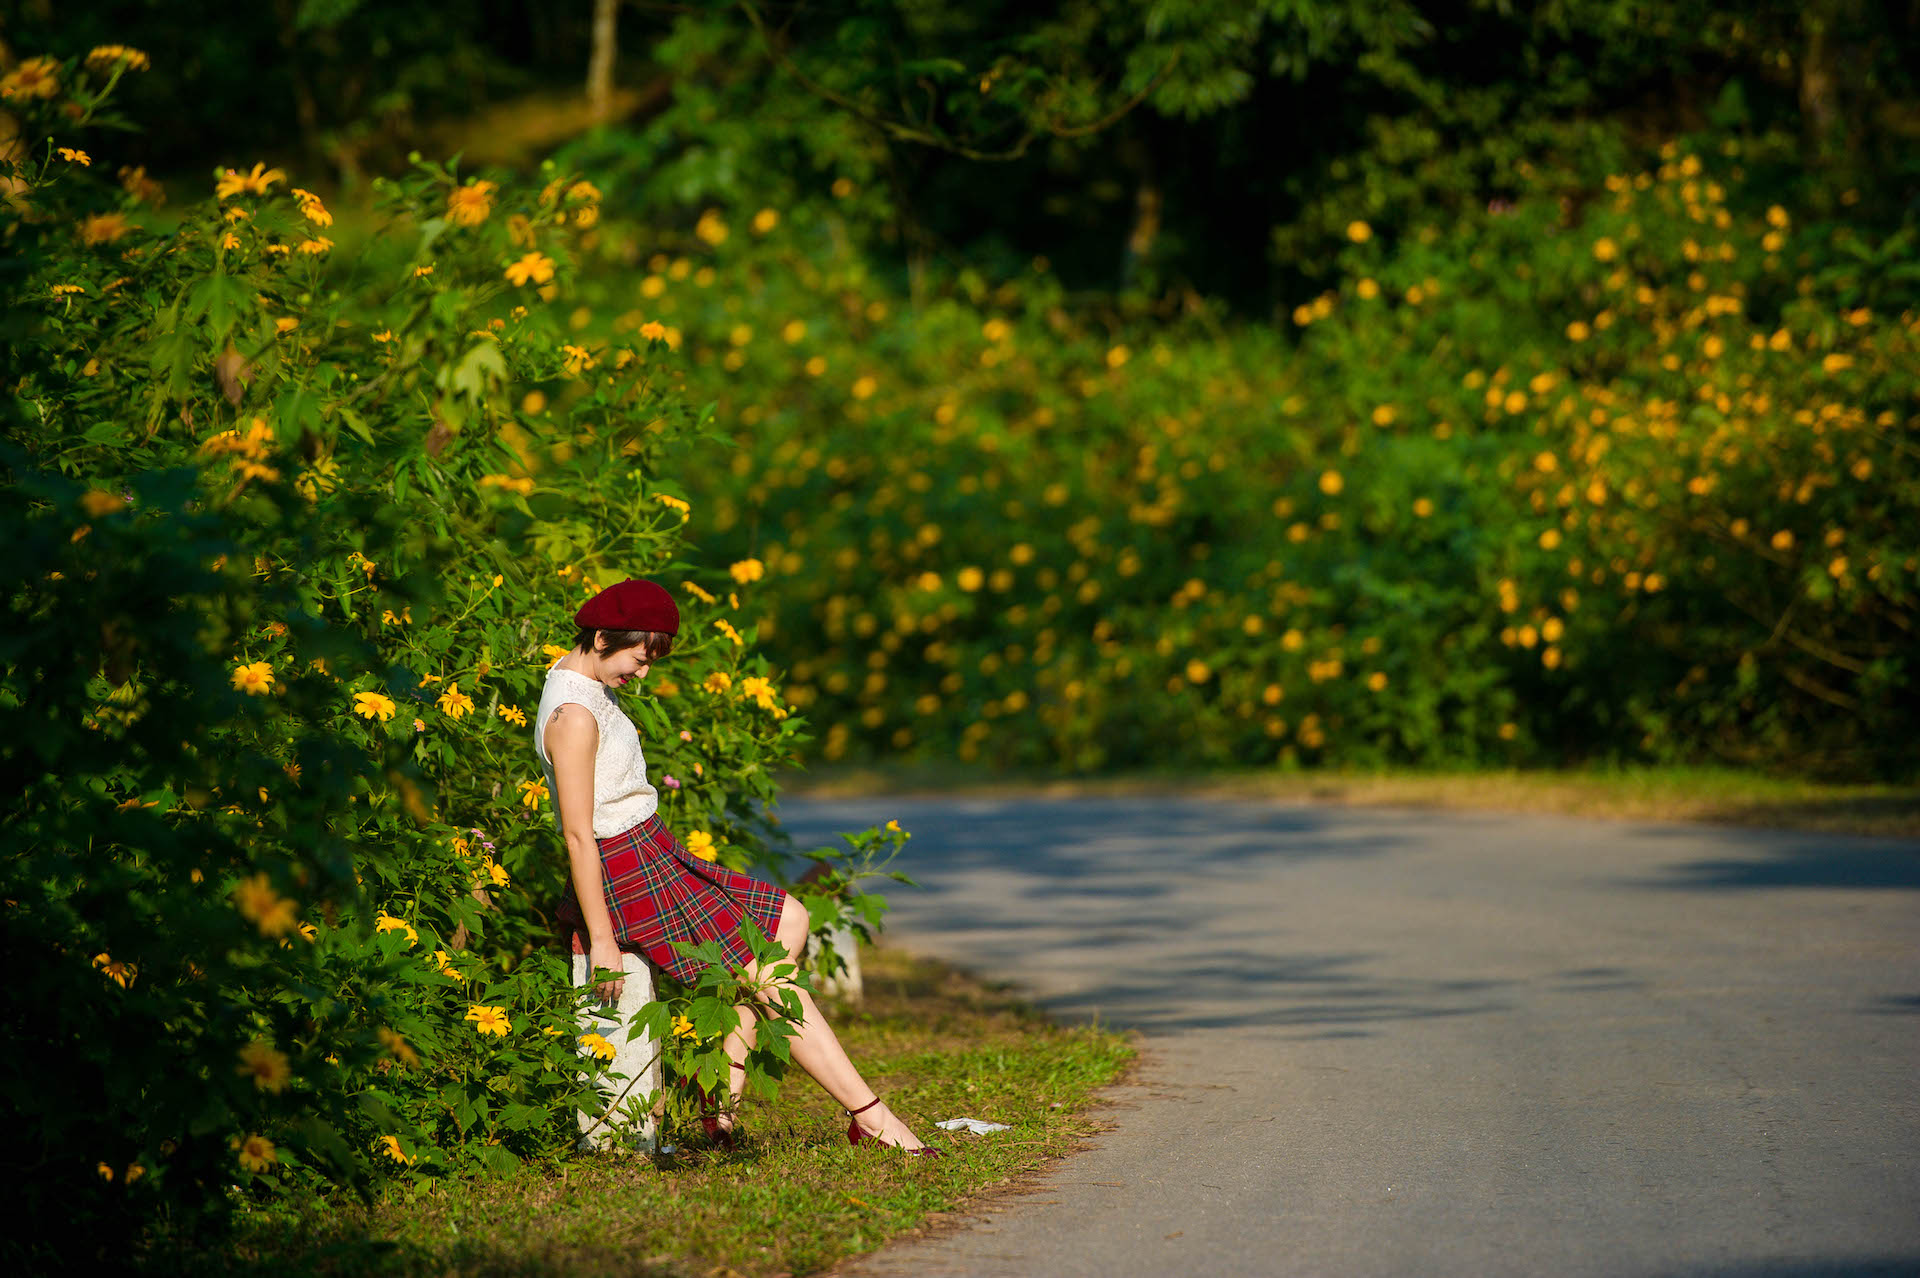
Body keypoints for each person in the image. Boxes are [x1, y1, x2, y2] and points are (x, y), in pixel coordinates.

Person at [535, 577, 936, 1155]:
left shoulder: (579, 681)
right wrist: (600, 938)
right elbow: (578, 835)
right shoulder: (574, 715)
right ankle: (871, 1117)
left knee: (789, 921)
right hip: (624, 864)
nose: (642, 673)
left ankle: (717, 1113)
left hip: (652, 847)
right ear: (600, 636)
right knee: (765, 975)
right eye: (637, 658)